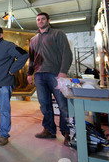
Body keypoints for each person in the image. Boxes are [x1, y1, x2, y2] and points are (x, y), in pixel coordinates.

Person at [26, 12, 73, 145]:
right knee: (44, 104)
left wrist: (63, 72)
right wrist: (30, 73)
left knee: (63, 105)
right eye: (38, 19)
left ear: (48, 20)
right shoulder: (34, 39)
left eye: (42, 19)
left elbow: (66, 53)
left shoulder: (58, 34)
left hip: (55, 74)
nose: (40, 21)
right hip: (39, 76)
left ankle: (67, 133)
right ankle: (49, 130)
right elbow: (31, 59)